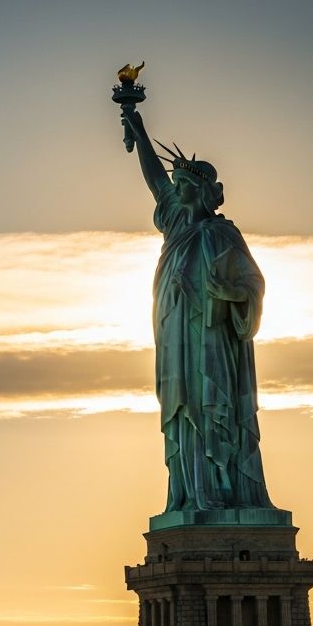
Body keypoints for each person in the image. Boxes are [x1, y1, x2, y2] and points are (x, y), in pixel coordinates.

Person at [122, 105, 275, 513]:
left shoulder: (223, 233)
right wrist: (137, 128)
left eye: (184, 183)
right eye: (177, 183)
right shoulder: (176, 227)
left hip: (213, 339)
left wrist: (228, 292)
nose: (176, 188)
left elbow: (252, 283)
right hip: (176, 336)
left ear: (202, 190)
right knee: (185, 410)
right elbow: (155, 180)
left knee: (213, 407)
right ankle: (191, 493)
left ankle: (228, 493)